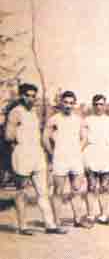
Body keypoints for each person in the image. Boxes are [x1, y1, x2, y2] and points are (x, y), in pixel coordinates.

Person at [6, 83, 66, 235]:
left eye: (34, 96)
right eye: (28, 95)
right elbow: (8, 136)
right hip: (22, 154)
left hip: (37, 155)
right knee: (21, 191)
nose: (31, 99)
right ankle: (22, 226)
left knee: (43, 192)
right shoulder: (15, 112)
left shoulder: (33, 113)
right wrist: (18, 151)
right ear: (21, 96)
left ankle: (50, 224)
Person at [44, 90, 93, 229]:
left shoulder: (78, 119)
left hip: (75, 158)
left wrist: (77, 150)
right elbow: (45, 138)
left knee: (76, 189)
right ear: (61, 102)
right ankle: (57, 221)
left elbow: (84, 138)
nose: (68, 105)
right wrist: (53, 153)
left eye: (71, 103)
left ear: (74, 104)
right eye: (66, 102)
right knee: (58, 191)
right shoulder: (54, 119)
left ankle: (77, 219)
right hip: (59, 158)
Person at [82, 94, 109, 225]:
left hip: (106, 155)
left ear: (105, 105)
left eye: (101, 104)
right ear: (93, 105)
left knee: (104, 187)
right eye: (96, 104)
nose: (98, 107)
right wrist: (84, 158)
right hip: (91, 153)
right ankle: (90, 215)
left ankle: (104, 215)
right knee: (91, 186)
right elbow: (84, 140)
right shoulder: (87, 120)